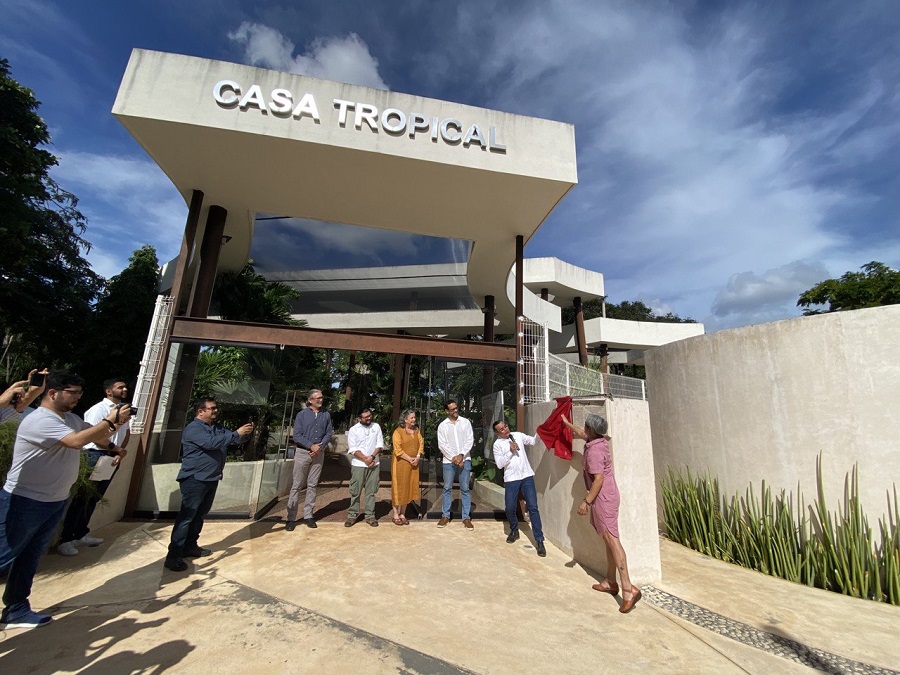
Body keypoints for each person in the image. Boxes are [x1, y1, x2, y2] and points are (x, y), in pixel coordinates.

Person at [0, 372, 131, 628]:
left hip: (54, 501)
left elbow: (93, 436)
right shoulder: (40, 420)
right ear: (52, 393)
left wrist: (114, 447)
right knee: (4, 556)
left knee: (29, 558)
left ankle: (16, 609)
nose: (77, 398)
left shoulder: (70, 419)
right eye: (73, 392)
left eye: (80, 393)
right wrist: (111, 420)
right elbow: (76, 441)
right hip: (23, 501)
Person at [561, 413, 641, 613]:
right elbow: (580, 432)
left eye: (586, 427)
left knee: (613, 541)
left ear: (591, 430)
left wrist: (586, 502)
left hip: (603, 498)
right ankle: (610, 582)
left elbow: (598, 479)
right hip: (606, 496)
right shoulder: (597, 440)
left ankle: (628, 590)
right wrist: (566, 422)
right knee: (607, 540)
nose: (583, 430)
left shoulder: (595, 452)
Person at [164, 398, 253, 572]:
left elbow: (233, 441)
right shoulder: (193, 429)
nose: (215, 411)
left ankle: (190, 546)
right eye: (212, 409)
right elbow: (211, 443)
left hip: (211, 478)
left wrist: (245, 433)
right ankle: (173, 556)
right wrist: (236, 433)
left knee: (199, 516)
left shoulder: (217, 428)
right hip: (195, 479)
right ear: (200, 411)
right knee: (186, 517)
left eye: (216, 408)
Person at [57, 378, 131, 557]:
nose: (124, 389)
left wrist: (119, 452)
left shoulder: (123, 411)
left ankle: (81, 533)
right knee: (82, 498)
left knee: (95, 498)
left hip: (111, 457)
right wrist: (116, 449)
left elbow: (125, 432)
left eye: (125, 387)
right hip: (94, 456)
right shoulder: (97, 410)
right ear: (108, 391)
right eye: (120, 387)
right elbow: (94, 436)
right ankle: (66, 539)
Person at [491, 420, 546, 557]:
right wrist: (510, 451)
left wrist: (540, 432)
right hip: (511, 479)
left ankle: (539, 540)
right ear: (497, 433)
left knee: (533, 507)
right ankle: (514, 530)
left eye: (506, 426)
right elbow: (499, 464)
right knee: (509, 508)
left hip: (527, 476)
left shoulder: (518, 435)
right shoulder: (497, 445)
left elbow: (533, 441)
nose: (506, 429)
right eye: (502, 429)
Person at [286, 389, 333, 531]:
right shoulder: (301, 415)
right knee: (297, 485)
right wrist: (311, 446)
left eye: (321, 397)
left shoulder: (326, 415)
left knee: (312, 485)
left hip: (319, 453)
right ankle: (291, 517)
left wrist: (320, 447)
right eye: (317, 398)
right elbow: (297, 436)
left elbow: (329, 433)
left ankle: (308, 515)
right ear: (310, 400)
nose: (320, 400)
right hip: (302, 453)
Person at [436, 400, 474, 529]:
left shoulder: (466, 422)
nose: (455, 410)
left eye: (456, 408)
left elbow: (470, 440)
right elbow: (442, 445)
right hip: (448, 461)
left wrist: (461, 455)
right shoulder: (442, 426)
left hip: (465, 460)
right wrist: (454, 457)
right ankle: (445, 516)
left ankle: (466, 518)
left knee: (465, 488)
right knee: (447, 488)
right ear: (447, 411)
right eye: (452, 409)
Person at [345, 408, 383, 527]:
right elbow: (353, 448)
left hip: (374, 464)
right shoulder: (353, 430)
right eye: (366, 417)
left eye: (370, 416)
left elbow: (379, 444)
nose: (369, 418)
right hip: (358, 465)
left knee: (371, 491)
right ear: (359, 418)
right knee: (355, 491)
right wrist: (365, 459)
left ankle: (370, 516)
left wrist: (371, 457)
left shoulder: (376, 427)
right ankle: (352, 515)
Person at [390, 409, 423, 525]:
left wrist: (417, 457)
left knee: (408, 487)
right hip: (400, 464)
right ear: (405, 420)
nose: (414, 420)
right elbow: (398, 450)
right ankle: (395, 514)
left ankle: (403, 513)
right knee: (399, 488)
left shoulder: (417, 431)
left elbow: (421, 443)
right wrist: (410, 459)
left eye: (414, 417)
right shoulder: (398, 432)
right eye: (412, 418)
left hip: (413, 465)